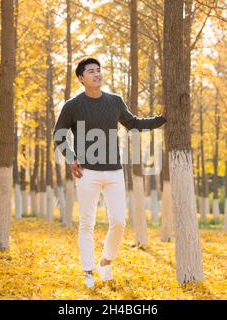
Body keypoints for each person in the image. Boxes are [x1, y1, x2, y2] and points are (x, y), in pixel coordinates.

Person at [53, 57, 166, 288]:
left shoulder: (115, 101)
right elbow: (59, 133)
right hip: (87, 173)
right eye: (91, 71)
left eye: (99, 70)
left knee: (119, 221)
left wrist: (162, 119)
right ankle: (88, 271)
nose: (97, 74)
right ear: (81, 78)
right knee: (87, 223)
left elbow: (133, 123)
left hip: (114, 172)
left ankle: (105, 261)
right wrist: (71, 157)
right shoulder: (72, 105)